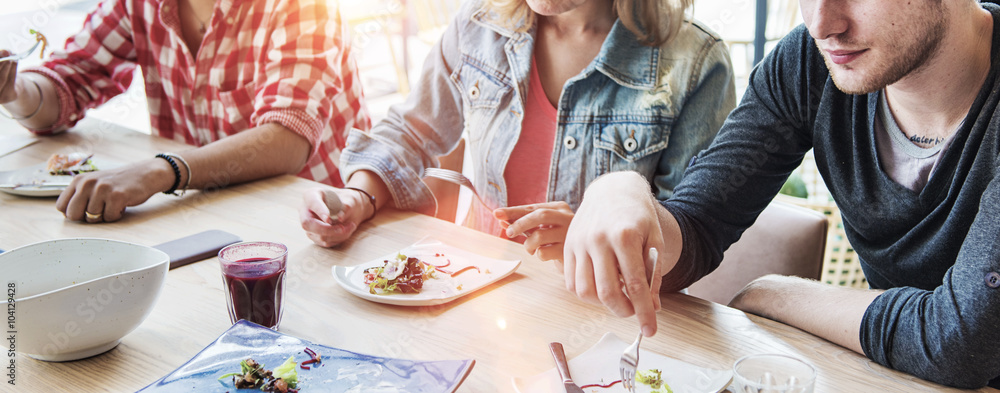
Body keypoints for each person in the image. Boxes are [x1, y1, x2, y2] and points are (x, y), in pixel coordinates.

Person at [563, 0, 1000, 388]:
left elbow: (959, 342)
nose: (822, 24)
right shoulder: (810, 65)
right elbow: (695, 229)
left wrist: (774, 293)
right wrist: (621, 193)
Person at [299, 0, 736, 259]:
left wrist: (598, 231)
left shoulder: (695, 61)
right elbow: (411, 133)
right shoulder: (479, 23)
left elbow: (689, 232)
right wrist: (358, 196)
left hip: (603, 315)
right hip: (476, 288)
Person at [0, 0, 370, 223]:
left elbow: (288, 138)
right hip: (204, 209)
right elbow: (68, 83)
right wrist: (14, 90)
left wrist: (160, 171)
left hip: (315, 221)